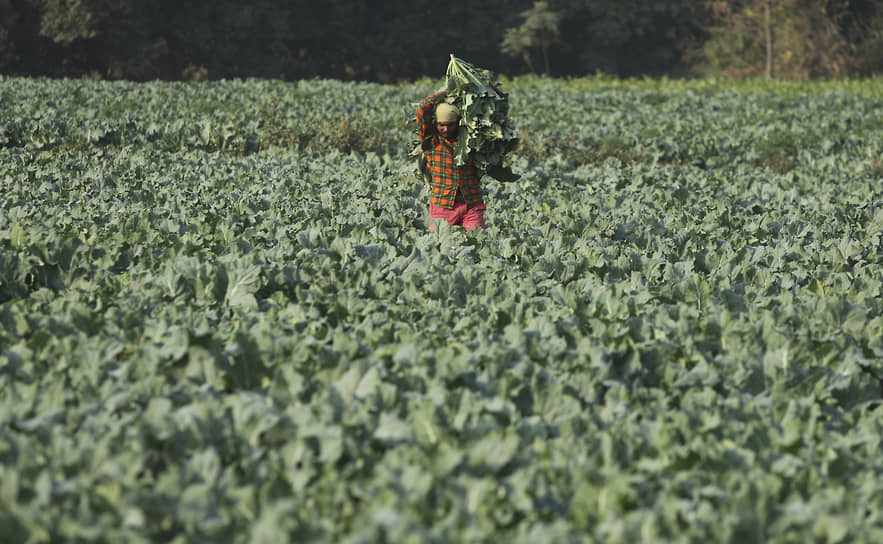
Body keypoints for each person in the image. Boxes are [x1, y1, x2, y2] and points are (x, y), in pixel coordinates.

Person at [415, 92, 486, 231]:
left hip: (471, 203)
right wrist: (446, 92)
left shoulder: (470, 139)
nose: (446, 129)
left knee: (476, 242)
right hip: (443, 205)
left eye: (450, 125)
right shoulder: (432, 141)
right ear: (436, 123)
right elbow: (422, 109)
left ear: (458, 123)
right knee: (442, 247)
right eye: (442, 125)